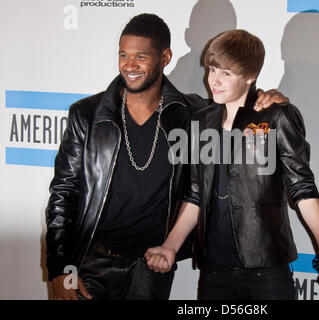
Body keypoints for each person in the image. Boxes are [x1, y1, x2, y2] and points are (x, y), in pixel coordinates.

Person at [45, 14, 287, 300]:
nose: (129, 65)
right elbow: (63, 192)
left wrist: (269, 99)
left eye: (140, 56)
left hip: (152, 265)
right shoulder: (87, 114)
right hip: (91, 262)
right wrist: (60, 267)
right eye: (123, 55)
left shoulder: (191, 114)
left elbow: (235, 99)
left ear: (166, 57)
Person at [145, 30, 319, 300]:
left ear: (251, 76)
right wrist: (170, 246)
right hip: (214, 269)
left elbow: (302, 187)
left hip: (266, 270)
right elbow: (196, 193)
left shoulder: (277, 115)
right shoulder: (202, 121)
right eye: (212, 69)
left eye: (226, 74)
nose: (214, 81)